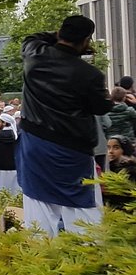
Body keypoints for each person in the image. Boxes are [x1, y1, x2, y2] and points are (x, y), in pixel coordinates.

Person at [17, 15, 113, 234]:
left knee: (38, 200)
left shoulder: (34, 54)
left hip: (34, 142)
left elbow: (33, 37)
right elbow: (101, 107)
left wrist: (58, 36)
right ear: (87, 39)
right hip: (72, 147)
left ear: (60, 33)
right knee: (82, 202)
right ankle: (87, 257)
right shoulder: (89, 75)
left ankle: (39, 255)